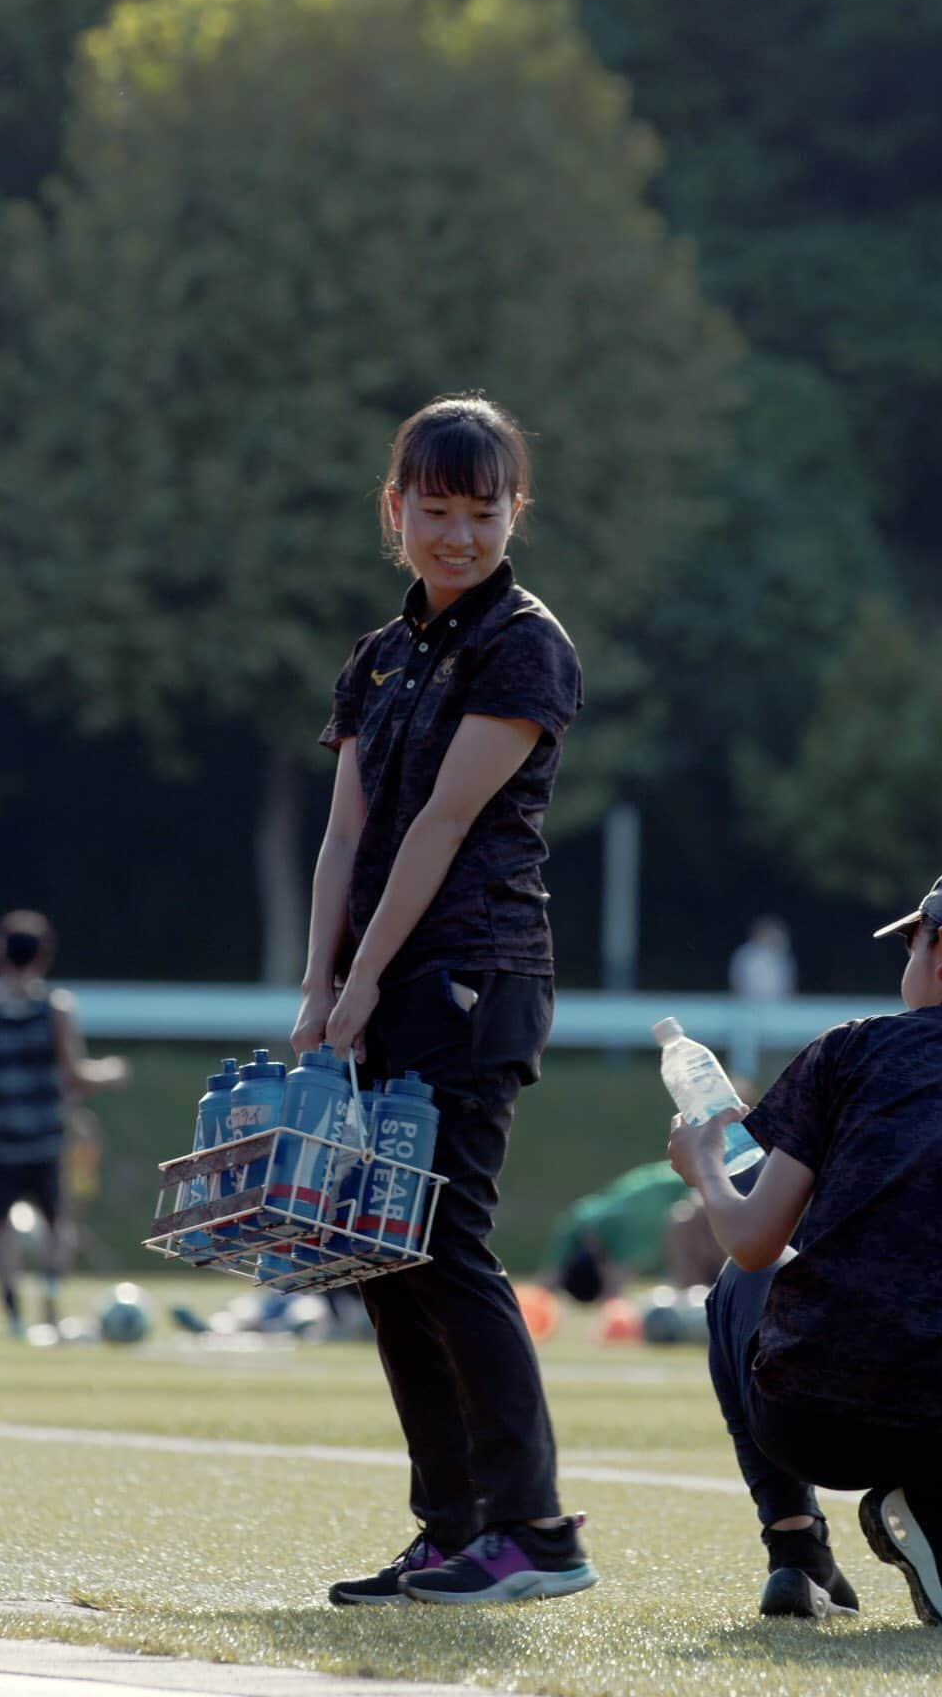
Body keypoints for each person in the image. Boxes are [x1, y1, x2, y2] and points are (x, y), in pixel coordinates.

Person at [290, 391, 597, 1608]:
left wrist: (364, 982)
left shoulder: (524, 642)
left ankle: (535, 1532)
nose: (459, 534)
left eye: (483, 510)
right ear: (396, 510)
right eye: (436, 509)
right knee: (382, 1254)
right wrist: (317, 989)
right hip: (381, 980)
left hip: (474, 972)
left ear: (515, 509)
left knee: (445, 1242)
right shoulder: (381, 653)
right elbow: (345, 835)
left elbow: (446, 819)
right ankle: (452, 1528)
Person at [669, 855, 942, 1628]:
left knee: (736, 1286)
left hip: (810, 1422)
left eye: (912, 942)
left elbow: (754, 1244)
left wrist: (706, 1171)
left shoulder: (850, 1051)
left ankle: (797, 1551)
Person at [0, 910, 125, 1334]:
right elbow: (75, 1074)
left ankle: (14, 1315)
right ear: (43, 957)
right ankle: (49, 1309)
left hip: (3, 1142)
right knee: (57, 1226)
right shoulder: (54, 1009)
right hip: (45, 1139)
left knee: (4, 1232)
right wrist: (112, 1071)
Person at [544, 1159, 726, 1303]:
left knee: (683, 1227)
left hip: (704, 1182)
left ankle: (694, 1302)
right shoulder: (588, 1221)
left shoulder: (620, 1225)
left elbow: (614, 1286)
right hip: (694, 1179)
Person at [728, 917, 797, 1002]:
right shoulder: (746, 955)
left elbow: (790, 983)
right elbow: (736, 982)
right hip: (748, 1004)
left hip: (778, 1005)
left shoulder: (782, 956)